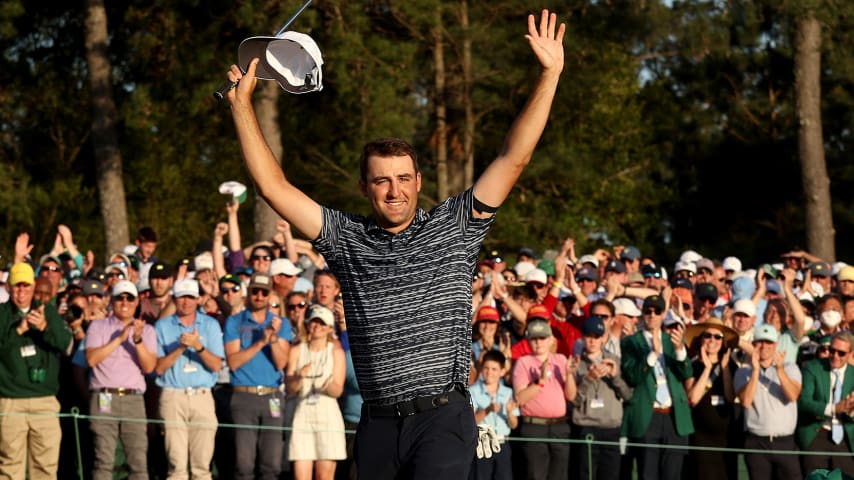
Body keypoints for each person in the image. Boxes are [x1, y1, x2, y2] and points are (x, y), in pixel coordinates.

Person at [225, 9, 565, 479]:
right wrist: (242, 107)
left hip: (442, 419)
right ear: (364, 187)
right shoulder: (346, 239)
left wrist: (549, 75)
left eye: (404, 178)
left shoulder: (455, 226)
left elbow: (514, 157)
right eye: (382, 181)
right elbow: (273, 187)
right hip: (378, 425)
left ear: (419, 181)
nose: (394, 191)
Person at [0, 263, 71, 479]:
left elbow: (65, 344)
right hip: (10, 401)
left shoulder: (47, 310)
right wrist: (18, 331)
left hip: (45, 401)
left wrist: (45, 328)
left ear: (33, 286)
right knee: (10, 467)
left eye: (26, 286)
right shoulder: (2, 314)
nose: (22, 291)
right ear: (9, 287)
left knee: (46, 467)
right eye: (17, 286)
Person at [85, 280, 157, 480]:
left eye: (129, 298)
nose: (124, 302)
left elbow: (149, 367)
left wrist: (137, 340)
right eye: (120, 298)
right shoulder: (98, 327)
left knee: (138, 464)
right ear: (112, 301)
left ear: (136, 302)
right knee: (103, 461)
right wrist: (118, 338)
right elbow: (91, 359)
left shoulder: (148, 331)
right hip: (104, 398)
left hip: (133, 399)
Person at [154, 278, 225, 479]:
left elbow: (217, 365)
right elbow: (158, 368)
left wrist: (198, 346)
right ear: (174, 299)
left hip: (202, 395)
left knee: (202, 467)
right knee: (176, 466)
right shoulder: (162, 326)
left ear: (198, 299)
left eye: (190, 297)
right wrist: (181, 347)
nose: (186, 302)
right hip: (173, 396)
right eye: (181, 297)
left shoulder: (210, 325)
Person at [224, 272, 292, 479]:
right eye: (256, 291)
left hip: (272, 396)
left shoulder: (281, 323)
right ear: (249, 293)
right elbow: (233, 362)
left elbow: (281, 362)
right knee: (244, 464)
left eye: (264, 292)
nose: (260, 296)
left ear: (270, 293)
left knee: (271, 464)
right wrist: (261, 342)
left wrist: (272, 339)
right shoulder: (234, 321)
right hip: (243, 396)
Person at [620, 294, 694, 480]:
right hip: (647, 414)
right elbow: (632, 376)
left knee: (672, 474)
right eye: (648, 311)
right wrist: (652, 355)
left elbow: (686, 374)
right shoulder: (630, 342)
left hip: (674, 416)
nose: (652, 315)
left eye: (657, 311)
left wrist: (679, 351)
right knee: (647, 473)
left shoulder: (672, 341)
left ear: (664, 314)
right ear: (642, 314)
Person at [286, 304, 347, 480]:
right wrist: (299, 377)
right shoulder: (297, 350)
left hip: (327, 413)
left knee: (324, 476)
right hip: (302, 412)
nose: (317, 327)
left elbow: (338, 390)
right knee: (300, 473)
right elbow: (290, 388)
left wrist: (328, 386)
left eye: (322, 324)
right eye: (314, 322)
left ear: (329, 328)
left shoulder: (336, 352)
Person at [734, 324, 802, 480]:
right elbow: (746, 401)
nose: (764, 346)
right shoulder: (743, 372)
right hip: (757, 442)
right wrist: (756, 370)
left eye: (769, 342)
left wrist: (779, 370)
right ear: (753, 344)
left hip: (784, 442)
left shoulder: (790, 368)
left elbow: (792, 396)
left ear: (776, 345)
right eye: (760, 342)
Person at [512, 318, 576, 480]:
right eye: (534, 338)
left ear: (550, 340)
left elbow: (571, 395)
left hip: (560, 426)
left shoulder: (561, 360)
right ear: (528, 341)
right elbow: (520, 398)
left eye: (542, 338)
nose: (538, 342)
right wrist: (539, 382)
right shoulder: (523, 363)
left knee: (559, 475)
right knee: (535, 474)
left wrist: (569, 375)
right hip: (534, 426)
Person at [570, 315, 632, 480]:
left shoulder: (615, 361)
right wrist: (588, 379)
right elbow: (574, 400)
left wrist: (615, 376)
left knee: (610, 474)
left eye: (596, 337)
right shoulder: (576, 364)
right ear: (582, 337)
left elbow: (627, 395)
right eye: (588, 336)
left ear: (604, 338)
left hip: (611, 428)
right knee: (586, 474)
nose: (592, 341)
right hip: (586, 426)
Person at [683, 317, 740, 480]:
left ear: (723, 342)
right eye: (707, 335)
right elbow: (692, 398)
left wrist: (725, 367)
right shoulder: (692, 366)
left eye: (718, 337)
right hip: (700, 438)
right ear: (701, 339)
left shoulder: (731, 366)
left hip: (725, 438)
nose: (712, 340)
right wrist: (707, 368)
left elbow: (730, 397)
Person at [797, 331, 854, 474]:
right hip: (817, 434)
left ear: (850, 354)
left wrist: (851, 410)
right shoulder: (813, 368)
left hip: (846, 437)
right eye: (832, 350)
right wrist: (834, 408)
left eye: (841, 353)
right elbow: (804, 402)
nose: (835, 356)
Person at [471, 350, 518, 480]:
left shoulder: (508, 392)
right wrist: (487, 410)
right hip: (483, 445)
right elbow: (471, 422)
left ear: (502, 372)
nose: (489, 372)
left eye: (494, 369)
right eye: (486, 368)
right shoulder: (473, 391)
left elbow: (513, 425)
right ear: (481, 368)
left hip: (502, 444)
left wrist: (509, 412)